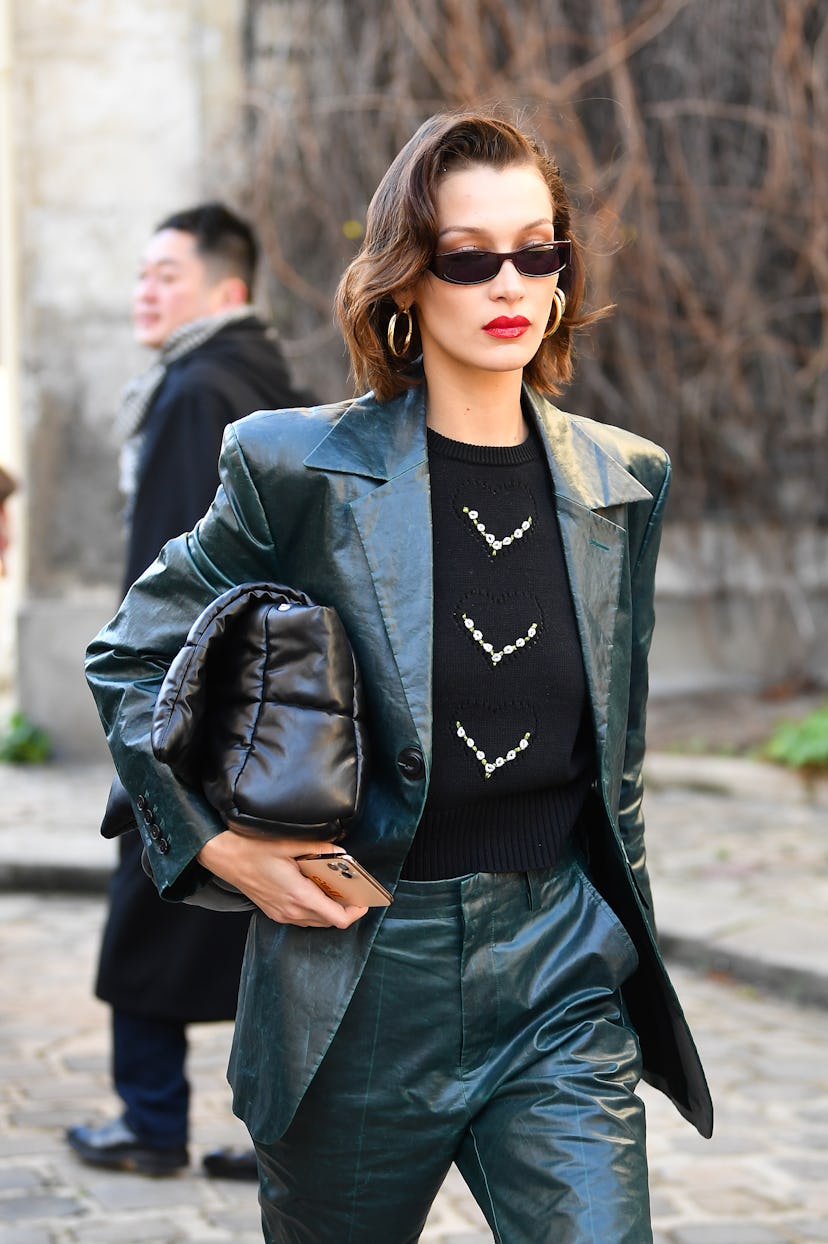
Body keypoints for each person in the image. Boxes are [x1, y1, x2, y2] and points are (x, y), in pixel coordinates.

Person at [85, 113, 713, 1240]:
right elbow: (131, 653)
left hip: (561, 965)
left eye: (540, 250)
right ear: (408, 279)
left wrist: (622, 946)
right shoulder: (296, 467)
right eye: (469, 255)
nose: (509, 282)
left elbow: (614, 765)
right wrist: (212, 841)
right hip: (361, 973)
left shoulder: (625, 481)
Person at [68, 202, 311, 1182]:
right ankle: (281, 1133)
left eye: (168, 272)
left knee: (152, 882)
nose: (146, 289)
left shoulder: (194, 388)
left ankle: (150, 1120)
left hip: (187, 696)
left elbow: (175, 566)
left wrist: (152, 722)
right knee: (266, 918)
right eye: (140, 273)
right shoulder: (259, 382)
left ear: (229, 290)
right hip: (261, 692)